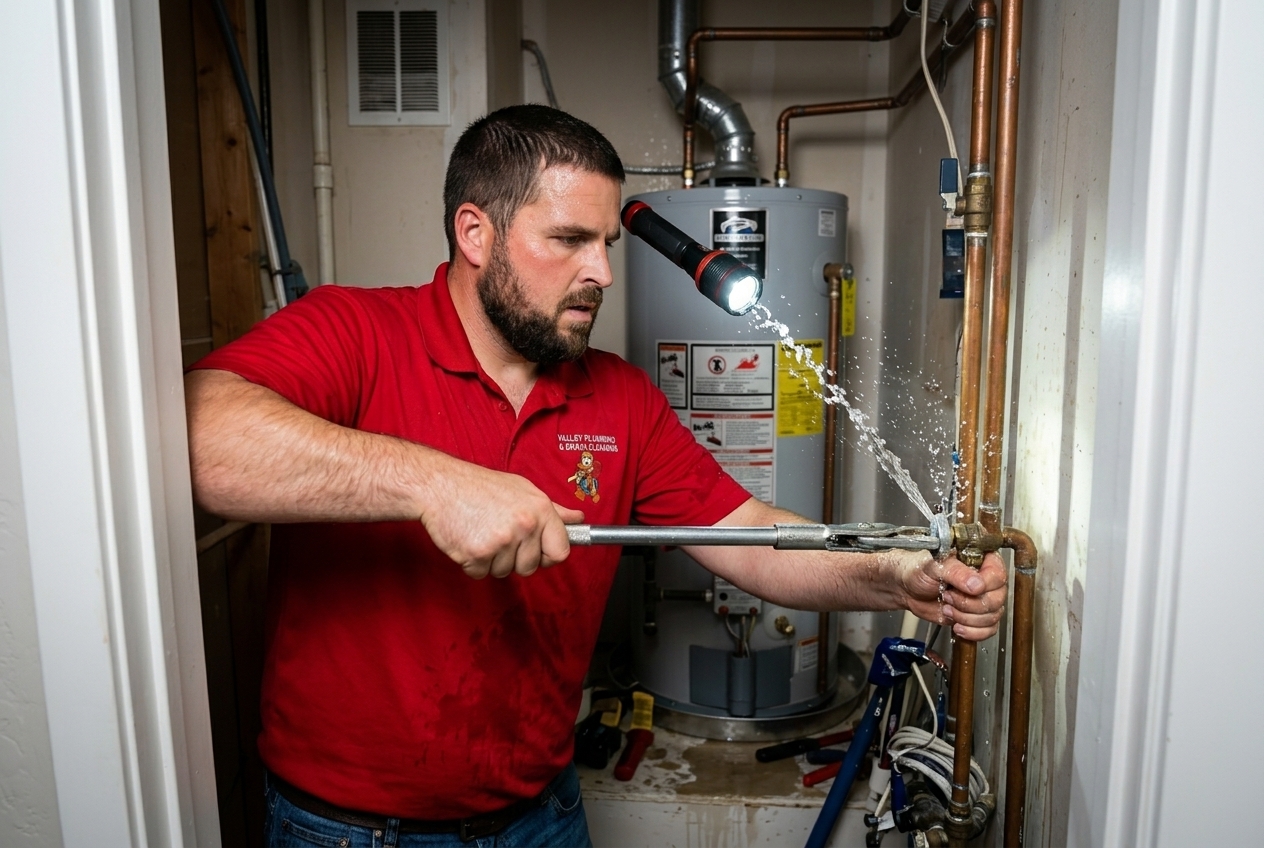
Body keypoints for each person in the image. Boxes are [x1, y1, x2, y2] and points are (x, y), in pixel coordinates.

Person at [185, 105, 1006, 848]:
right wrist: (435, 484)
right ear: (476, 233)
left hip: (541, 816)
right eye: (569, 240)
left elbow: (749, 538)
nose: (604, 273)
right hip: (351, 831)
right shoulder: (356, 332)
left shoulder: (617, 396)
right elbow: (203, 440)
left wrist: (900, 576)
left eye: (608, 242)